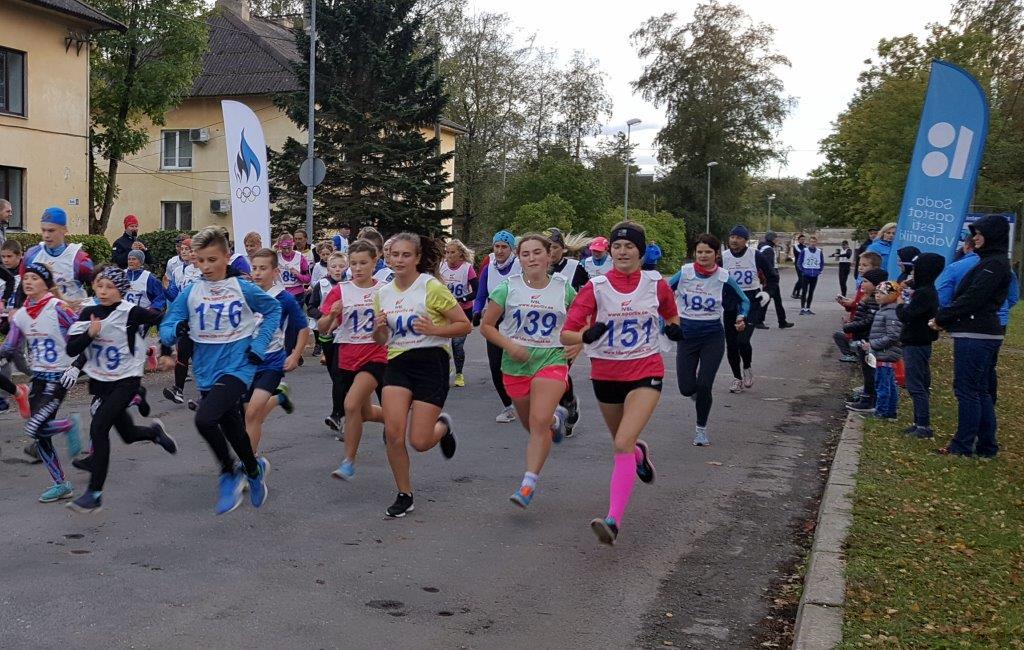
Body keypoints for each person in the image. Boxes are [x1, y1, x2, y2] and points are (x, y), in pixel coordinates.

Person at [561, 221, 680, 546]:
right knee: (624, 443)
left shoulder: (656, 285)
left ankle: (612, 521)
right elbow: (566, 334)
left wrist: (673, 328)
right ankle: (638, 455)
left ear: (641, 252)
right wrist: (586, 335)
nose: (623, 251)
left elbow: (671, 314)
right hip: (606, 375)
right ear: (610, 251)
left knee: (621, 443)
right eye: (617, 246)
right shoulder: (595, 288)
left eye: (629, 246)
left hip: (646, 371)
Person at [159, 226, 280, 514]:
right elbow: (167, 325)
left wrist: (259, 344)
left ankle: (229, 472)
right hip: (206, 371)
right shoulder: (191, 292)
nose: (206, 266)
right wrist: (176, 330)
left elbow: (273, 310)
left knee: (204, 419)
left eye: (212, 260)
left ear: (227, 257)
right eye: (200, 260)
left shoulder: (242, 287)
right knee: (233, 428)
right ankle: (253, 469)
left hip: (238, 367)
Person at [373, 233, 471, 518]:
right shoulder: (383, 294)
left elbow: (464, 325)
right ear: (388, 258)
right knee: (394, 434)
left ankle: (443, 428)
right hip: (398, 362)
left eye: (406, 255)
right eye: (394, 255)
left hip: (431, 362)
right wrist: (379, 329)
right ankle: (404, 494)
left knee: (420, 441)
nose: (399, 260)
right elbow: (381, 339)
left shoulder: (431, 287)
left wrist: (435, 330)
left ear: (417, 258)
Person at [65, 266, 176, 513]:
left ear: (122, 290)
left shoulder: (131, 312)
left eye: (110, 287)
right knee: (128, 434)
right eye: (100, 286)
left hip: (127, 379)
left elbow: (165, 319)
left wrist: (166, 350)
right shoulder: (89, 313)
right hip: (101, 382)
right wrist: (89, 335)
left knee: (99, 426)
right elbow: (72, 348)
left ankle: (94, 494)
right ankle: (154, 433)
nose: (103, 291)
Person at [481, 234, 577, 508]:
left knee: (538, 421)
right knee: (532, 425)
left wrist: (578, 343)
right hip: (516, 364)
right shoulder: (507, 288)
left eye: (537, 252)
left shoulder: (563, 288)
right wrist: (510, 346)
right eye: (526, 254)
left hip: (551, 358)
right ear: (519, 259)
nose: (532, 258)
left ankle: (528, 483)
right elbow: (486, 326)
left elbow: (584, 318)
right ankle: (555, 421)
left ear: (549, 256)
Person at [0, 264, 82, 503]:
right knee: (41, 435)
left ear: (46, 283)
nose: (28, 281)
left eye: (34, 278)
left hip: (59, 376)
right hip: (38, 378)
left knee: (34, 427)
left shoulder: (58, 307)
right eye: (26, 277)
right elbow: (10, 346)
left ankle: (69, 425)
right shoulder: (22, 314)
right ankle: (61, 485)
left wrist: (78, 363)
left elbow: (80, 333)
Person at [931, 215, 1012, 457]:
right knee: (980, 390)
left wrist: (942, 318)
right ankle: (987, 445)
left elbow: (973, 297)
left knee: (967, 390)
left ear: (992, 235)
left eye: (979, 233)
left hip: (976, 333)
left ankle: (963, 444)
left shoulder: (994, 264)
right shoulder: (988, 262)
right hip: (981, 332)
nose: (975, 238)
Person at [670, 234, 750, 445]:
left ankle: (701, 430)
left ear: (716, 254)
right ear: (694, 253)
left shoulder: (723, 277)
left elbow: (744, 300)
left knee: (705, 385)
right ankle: (698, 396)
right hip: (687, 335)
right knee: (687, 388)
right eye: (699, 252)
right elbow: (663, 293)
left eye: (708, 252)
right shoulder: (685, 273)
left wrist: (742, 317)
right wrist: (668, 319)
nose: (703, 255)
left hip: (712, 336)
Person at [320, 240, 388, 480]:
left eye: (363, 263)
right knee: (364, 412)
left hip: (375, 355)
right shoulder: (340, 290)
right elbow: (322, 327)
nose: (358, 268)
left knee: (350, 406)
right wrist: (332, 314)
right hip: (348, 356)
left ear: (375, 262)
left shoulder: (384, 290)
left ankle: (348, 462)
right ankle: (396, 417)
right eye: (354, 263)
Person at [243, 249, 309, 460]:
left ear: (275, 271)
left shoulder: (285, 298)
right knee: (250, 416)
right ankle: (279, 397)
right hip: (245, 363)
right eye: (254, 268)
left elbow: (303, 328)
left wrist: (295, 355)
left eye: (263, 268)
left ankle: (250, 464)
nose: (257, 272)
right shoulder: (245, 294)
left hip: (271, 362)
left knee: (253, 413)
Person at [473, 230, 522, 423]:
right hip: (494, 322)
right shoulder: (489, 268)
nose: (500, 250)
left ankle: (527, 401)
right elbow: (481, 294)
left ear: (512, 249)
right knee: (496, 366)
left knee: (518, 364)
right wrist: (476, 311)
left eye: (504, 247)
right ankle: (509, 406)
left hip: (517, 321)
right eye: (497, 246)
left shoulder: (519, 266)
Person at [896, 253, 944, 438]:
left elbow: (906, 315)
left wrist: (900, 304)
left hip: (916, 341)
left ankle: (923, 424)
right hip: (919, 341)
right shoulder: (926, 289)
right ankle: (918, 421)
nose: (912, 273)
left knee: (916, 384)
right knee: (918, 382)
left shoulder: (924, 294)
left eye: (915, 270)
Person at [720, 225, 770, 393]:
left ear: (746, 240)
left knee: (742, 340)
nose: (734, 240)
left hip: (750, 302)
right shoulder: (723, 257)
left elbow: (772, 277)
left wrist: (767, 293)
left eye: (738, 237)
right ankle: (737, 378)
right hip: (730, 302)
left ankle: (747, 366)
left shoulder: (756, 256)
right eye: (732, 237)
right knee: (732, 344)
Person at [307, 251, 351, 429]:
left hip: (345, 334)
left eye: (341, 266)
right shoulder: (322, 284)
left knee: (339, 374)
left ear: (347, 267)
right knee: (335, 375)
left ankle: (337, 413)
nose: (337, 269)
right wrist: (324, 316)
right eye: (334, 266)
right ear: (328, 268)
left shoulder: (351, 284)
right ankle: (345, 406)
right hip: (327, 335)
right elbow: (311, 307)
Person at [21, 207, 93, 305]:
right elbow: (21, 286)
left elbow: (98, 286)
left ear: (64, 229)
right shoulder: (31, 255)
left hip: (70, 312)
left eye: (51, 230)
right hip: (40, 311)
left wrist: (88, 305)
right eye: (43, 230)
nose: (46, 235)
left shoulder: (79, 258)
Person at [162, 239, 202, 404]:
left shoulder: (206, 270)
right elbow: (176, 296)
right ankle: (178, 389)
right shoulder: (179, 271)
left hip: (202, 318)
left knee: (201, 358)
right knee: (183, 353)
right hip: (186, 319)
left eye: (192, 250)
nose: (188, 253)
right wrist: (165, 289)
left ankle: (206, 394)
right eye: (185, 249)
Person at [844, 268, 887, 413]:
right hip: (862, 338)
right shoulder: (867, 298)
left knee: (870, 372)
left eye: (866, 281)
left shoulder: (874, 300)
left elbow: (869, 321)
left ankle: (869, 401)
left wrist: (849, 327)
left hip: (868, 339)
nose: (862, 284)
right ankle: (866, 398)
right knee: (866, 370)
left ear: (876, 284)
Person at [439, 239, 477, 388]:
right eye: (447, 252)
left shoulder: (467, 268)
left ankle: (459, 373)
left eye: (452, 252)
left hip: (463, 311)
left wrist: (462, 298)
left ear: (460, 254)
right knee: (441, 343)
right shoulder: (441, 267)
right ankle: (446, 367)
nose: (449, 255)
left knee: (457, 344)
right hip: (444, 311)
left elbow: (476, 291)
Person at [862, 281, 902, 420]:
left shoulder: (891, 313)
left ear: (893, 295)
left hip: (886, 354)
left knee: (882, 385)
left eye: (882, 293)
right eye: (877, 292)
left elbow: (893, 336)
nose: (878, 296)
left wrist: (872, 345)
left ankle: (882, 412)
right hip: (882, 353)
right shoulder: (884, 311)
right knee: (888, 383)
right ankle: (890, 411)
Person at [833, 252, 883, 362]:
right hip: (857, 324)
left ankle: (856, 355)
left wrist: (851, 322)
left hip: (863, 330)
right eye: (859, 264)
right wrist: (848, 305)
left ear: (875, 268)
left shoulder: (873, 290)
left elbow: (867, 313)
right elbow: (858, 305)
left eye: (864, 265)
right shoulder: (863, 285)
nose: (860, 268)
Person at [756, 232, 793, 329]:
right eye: (776, 238)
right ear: (771, 239)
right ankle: (758, 321)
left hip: (770, 278)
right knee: (766, 299)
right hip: (770, 279)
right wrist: (772, 276)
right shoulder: (768, 250)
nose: (777, 240)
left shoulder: (764, 248)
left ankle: (782, 321)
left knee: (778, 300)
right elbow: (768, 266)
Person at [276, 233, 311, 300]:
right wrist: (274, 249)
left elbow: (308, 279)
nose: (287, 251)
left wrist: (298, 275)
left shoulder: (300, 257)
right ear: (280, 247)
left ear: (293, 245)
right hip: (280, 292)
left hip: (297, 293)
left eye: (289, 248)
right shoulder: (276, 256)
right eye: (284, 248)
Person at [797, 236, 824, 315]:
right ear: (809, 242)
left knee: (811, 292)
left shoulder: (819, 251)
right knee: (804, 292)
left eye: (814, 242)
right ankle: (802, 309)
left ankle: (808, 308)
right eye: (811, 242)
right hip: (806, 275)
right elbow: (799, 262)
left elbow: (822, 262)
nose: (813, 243)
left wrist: (819, 271)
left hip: (814, 275)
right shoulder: (804, 251)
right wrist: (803, 271)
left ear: (816, 242)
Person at [790, 234, 806, 299]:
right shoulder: (796, 246)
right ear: (798, 240)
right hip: (798, 264)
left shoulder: (805, 247)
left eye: (804, 239)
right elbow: (799, 253)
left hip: (804, 265)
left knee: (803, 279)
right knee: (801, 279)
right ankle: (794, 292)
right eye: (801, 239)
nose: (803, 240)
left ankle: (798, 293)